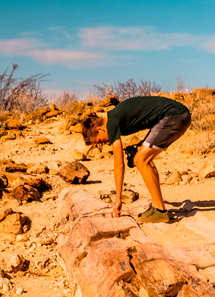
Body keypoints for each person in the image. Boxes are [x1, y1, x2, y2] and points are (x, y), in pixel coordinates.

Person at [81, 95, 191, 223]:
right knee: (144, 158)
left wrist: (118, 200)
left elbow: (119, 165)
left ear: (99, 129)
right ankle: (157, 205)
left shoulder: (111, 123)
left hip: (174, 116)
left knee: (140, 160)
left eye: (99, 141)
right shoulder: (115, 117)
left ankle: (160, 211)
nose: (103, 144)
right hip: (176, 115)